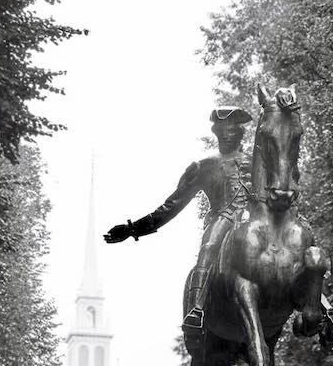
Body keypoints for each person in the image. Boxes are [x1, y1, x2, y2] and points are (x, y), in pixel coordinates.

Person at [104, 106, 253, 335]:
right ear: (216, 132)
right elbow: (172, 205)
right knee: (210, 246)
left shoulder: (254, 162)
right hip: (223, 218)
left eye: (232, 130)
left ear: (240, 132)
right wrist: (133, 229)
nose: (227, 134)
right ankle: (196, 310)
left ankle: (321, 307)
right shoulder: (204, 166)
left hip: (255, 219)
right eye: (223, 130)